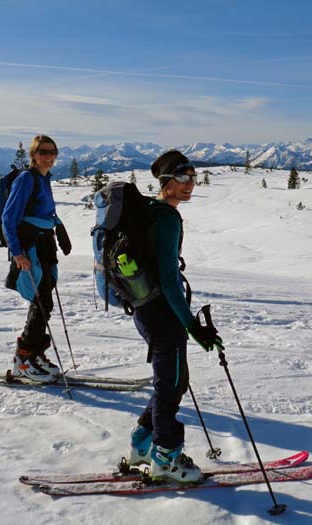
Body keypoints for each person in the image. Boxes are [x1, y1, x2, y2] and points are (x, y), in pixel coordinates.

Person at [128, 150, 224, 484]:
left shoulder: (151, 212)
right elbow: (169, 278)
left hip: (144, 308)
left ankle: (142, 443)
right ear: (166, 182)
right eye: (182, 178)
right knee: (170, 387)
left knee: (171, 381)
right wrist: (190, 325)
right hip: (162, 314)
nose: (190, 185)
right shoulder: (166, 218)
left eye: (193, 177)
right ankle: (166, 458)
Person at [3, 134, 71, 382]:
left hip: (44, 244)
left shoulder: (44, 178)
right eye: (43, 151)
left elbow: (43, 211)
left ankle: (35, 354)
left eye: (52, 151)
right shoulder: (26, 179)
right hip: (30, 247)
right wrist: (18, 253)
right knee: (41, 301)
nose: (49, 156)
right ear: (33, 154)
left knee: (45, 302)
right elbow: (8, 218)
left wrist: (59, 230)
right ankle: (23, 359)